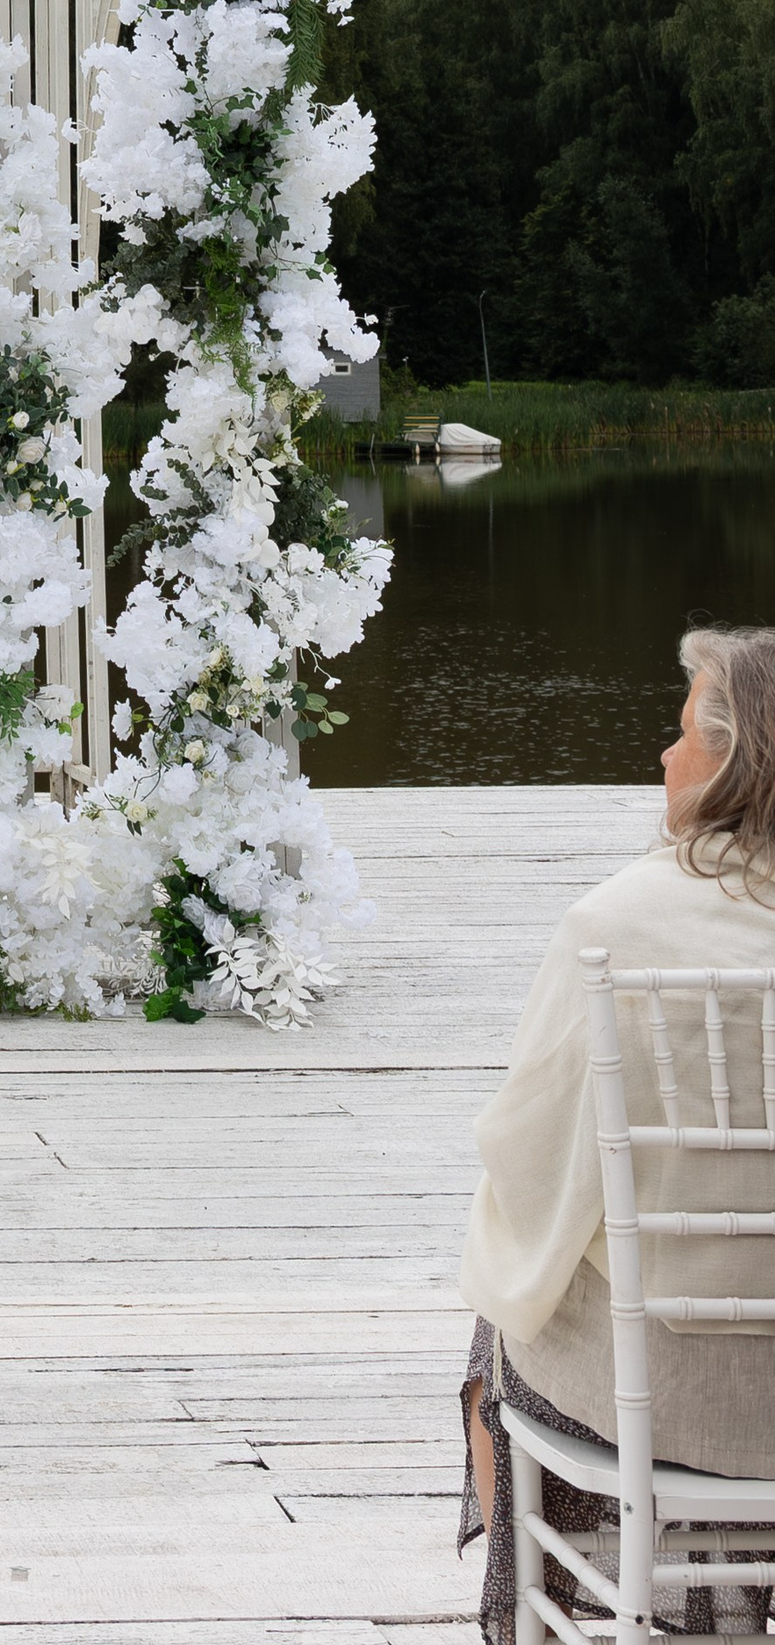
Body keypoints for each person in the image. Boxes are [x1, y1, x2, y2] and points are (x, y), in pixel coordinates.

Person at [458, 626, 775, 1638]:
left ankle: (530, 1615)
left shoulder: (617, 923)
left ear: (732, 760)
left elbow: (529, 1155)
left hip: (675, 1392)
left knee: (493, 1333)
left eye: (684, 734)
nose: (663, 756)